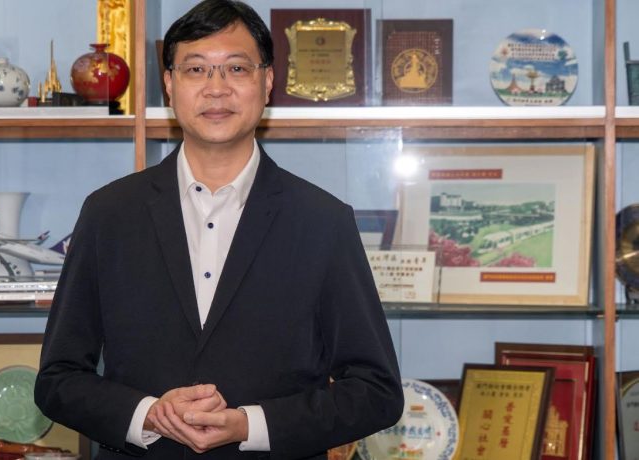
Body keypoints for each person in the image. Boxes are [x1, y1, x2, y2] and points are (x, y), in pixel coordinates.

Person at [34, 1, 403, 458]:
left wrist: (251, 426)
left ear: (267, 82)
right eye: (196, 69)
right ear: (169, 84)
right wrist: (148, 415)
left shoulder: (323, 221)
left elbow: (376, 391)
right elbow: (58, 380)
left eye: (236, 68)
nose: (216, 88)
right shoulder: (108, 213)